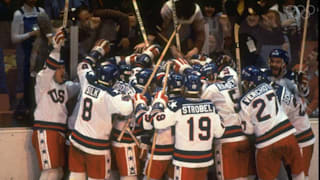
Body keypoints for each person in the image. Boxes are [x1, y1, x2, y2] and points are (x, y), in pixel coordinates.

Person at [68, 39, 133, 180]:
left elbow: (83, 65)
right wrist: (130, 95)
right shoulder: (110, 96)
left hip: (77, 140)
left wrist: (97, 51)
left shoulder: (87, 81)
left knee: (75, 176)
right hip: (96, 147)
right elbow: (127, 109)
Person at [144, 73, 225, 180]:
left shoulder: (178, 105)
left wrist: (157, 104)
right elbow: (219, 132)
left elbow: (156, 122)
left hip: (184, 160)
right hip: (205, 159)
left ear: (183, 88)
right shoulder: (210, 105)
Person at [239, 65, 305, 180]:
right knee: (298, 172)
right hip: (287, 135)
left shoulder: (244, 101)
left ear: (248, 82)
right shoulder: (269, 87)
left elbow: (248, 130)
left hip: (265, 144)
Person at [32, 28, 80, 180]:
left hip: (59, 132)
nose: (62, 71)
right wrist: (56, 48)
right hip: (46, 130)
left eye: (63, 67)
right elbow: (50, 66)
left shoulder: (65, 87)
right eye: (59, 68)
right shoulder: (43, 80)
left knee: (58, 172)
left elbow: (82, 85)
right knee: (50, 172)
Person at [201, 61, 256, 180]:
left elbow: (201, 106)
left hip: (227, 139)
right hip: (244, 136)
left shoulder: (211, 89)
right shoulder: (235, 83)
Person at [271, 82, 315, 180]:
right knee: (292, 176)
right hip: (294, 138)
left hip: (302, 139)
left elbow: (279, 123)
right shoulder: (278, 88)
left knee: (300, 177)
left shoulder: (279, 95)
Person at [11, 0, 45, 117]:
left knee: (39, 81)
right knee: (26, 82)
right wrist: (30, 34)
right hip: (25, 54)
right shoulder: (18, 14)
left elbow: (48, 30)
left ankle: (38, 108)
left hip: (39, 53)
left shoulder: (41, 12)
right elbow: (14, 38)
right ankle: (25, 109)